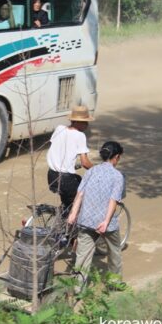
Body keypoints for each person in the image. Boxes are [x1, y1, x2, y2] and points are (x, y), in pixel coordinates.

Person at [67, 141, 126, 292]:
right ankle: (114, 283)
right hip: (105, 224)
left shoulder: (91, 171)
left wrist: (73, 214)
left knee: (83, 255)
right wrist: (106, 222)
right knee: (114, 251)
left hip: (85, 220)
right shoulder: (117, 176)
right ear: (116, 157)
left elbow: (80, 194)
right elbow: (113, 200)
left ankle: (78, 289)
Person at [46, 105, 94, 217]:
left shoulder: (59, 128)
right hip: (66, 180)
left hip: (52, 175)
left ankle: (63, 222)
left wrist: (72, 164)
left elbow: (58, 149)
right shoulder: (80, 136)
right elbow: (85, 163)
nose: (87, 125)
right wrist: (98, 169)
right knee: (81, 198)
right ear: (78, 122)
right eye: (85, 122)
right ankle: (72, 229)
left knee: (70, 198)